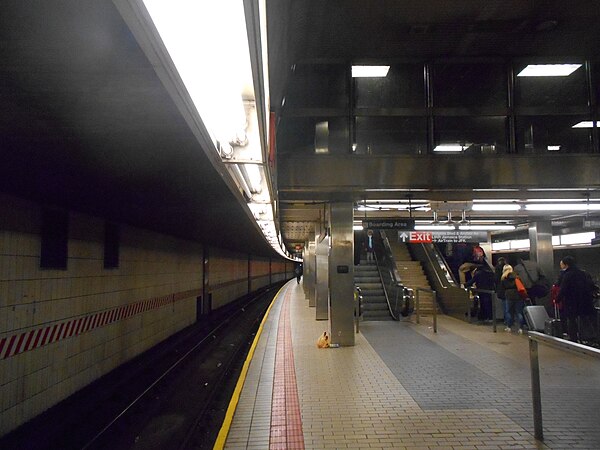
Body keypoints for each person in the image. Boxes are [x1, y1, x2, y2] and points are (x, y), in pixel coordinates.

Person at [556, 256, 596, 342]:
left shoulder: (567, 275)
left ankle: (573, 339)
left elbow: (563, 288)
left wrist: (557, 299)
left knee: (572, 320)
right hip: (585, 300)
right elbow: (591, 285)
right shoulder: (583, 273)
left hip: (572, 301)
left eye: (562, 264)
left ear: (566, 265)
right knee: (584, 318)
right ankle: (588, 337)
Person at [501, 264, 526, 334]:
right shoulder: (517, 277)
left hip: (509, 296)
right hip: (518, 296)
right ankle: (520, 328)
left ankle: (509, 327)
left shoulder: (504, 278)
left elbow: (502, 288)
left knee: (508, 312)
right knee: (519, 312)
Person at [494, 257, 508, 326]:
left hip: (502, 290)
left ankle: (506, 320)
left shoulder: (498, 269)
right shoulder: (509, 271)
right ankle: (511, 320)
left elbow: (496, 279)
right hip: (512, 292)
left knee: (505, 306)